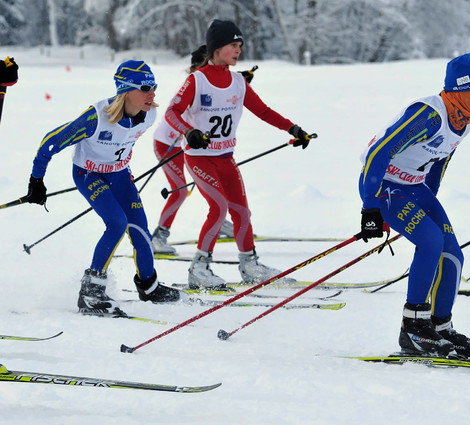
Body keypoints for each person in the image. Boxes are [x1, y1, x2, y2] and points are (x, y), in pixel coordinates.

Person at [358, 54, 470, 358]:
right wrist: (370, 207)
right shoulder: (429, 115)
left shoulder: (464, 120)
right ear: (462, 90)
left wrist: (427, 203)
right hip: (383, 186)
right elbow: (378, 154)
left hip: (414, 188)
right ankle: (413, 327)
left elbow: (440, 160)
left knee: (452, 253)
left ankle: (440, 326)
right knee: (431, 242)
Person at [24, 60, 182, 317]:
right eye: (145, 87)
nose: (152, 93)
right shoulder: (96, 118)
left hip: (119, 175)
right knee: (116, 223)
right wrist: (36, 180)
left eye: (154, 86)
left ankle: (149, 286)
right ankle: (91, 292)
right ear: (125, 91)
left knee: (140, 230)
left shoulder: (149, 115)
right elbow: (50, 143)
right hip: (88, 174)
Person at [165, 19, 314, 290]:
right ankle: (199, 267)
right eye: (233, 45)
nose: (238, 51)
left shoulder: (237, 81)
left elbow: (264, 111)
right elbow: (171, 112)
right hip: (199, 159)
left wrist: (292, 128)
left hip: (225, 158)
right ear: (217, 47)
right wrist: (189, 132)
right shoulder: (196, 80)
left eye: (240, 46)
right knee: (218, 208)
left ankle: (250, 265)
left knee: (242, 212)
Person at [151, 45, 254, 255]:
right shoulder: (193, 83)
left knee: (214, 187)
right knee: (180, 191)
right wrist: (188, 132)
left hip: (193, 147)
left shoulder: (208, 80)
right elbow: (174, 116)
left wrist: (239, 83)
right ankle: (158, 237)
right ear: (196, 68)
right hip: (169, 145)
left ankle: (221, 221)